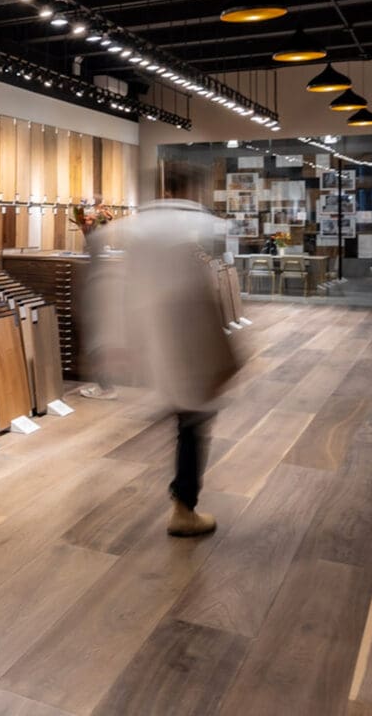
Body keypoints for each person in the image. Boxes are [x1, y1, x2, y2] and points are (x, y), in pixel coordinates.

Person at [85, 165, 237, 536]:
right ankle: (184, 508)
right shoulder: (195, 226)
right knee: (193, 422)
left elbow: (111, 282)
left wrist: (112, 341)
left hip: (153, 339)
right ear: (187, 189)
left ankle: (183, 502)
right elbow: (200, 291)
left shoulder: (136, 228)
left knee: (187, 418)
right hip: (188, 341)